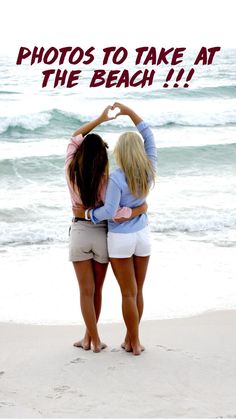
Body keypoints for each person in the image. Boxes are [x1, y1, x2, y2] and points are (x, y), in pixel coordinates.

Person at [74, 103, 157, 355]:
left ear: (121, 152)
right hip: (142, 235)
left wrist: (87, 213)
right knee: (138, 291)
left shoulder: (116, 178)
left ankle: (133, 343)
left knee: (128, 294)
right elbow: (149, 134)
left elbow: (108, 213)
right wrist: (130, 112)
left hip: (120, 239)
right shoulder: (149, 168)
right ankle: (133, 340)